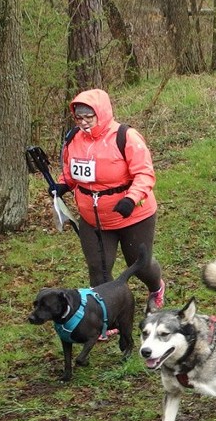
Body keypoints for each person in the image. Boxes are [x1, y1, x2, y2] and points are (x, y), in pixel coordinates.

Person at [57, 89, 164, 312]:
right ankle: (106, 314)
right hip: (92, 217)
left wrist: (131, 199)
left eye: (89, 117)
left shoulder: (125, 136)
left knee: (140, 264)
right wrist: (63, 184)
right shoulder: (73, 138)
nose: (84, 123)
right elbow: (70, 170)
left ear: (102, 113)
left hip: (133, 215)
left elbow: (145, 173)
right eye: (79, 118)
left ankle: (156, 288)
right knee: (99, 269)